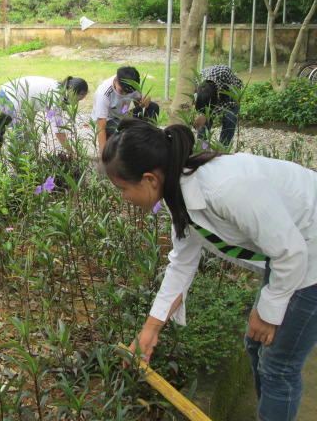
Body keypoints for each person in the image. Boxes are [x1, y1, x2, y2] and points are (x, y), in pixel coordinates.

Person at [102, 118, 317, 421]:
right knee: (256, 346)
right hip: (293, 251)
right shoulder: (179, 193)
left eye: (122, 188)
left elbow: (291, 251)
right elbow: (182, 264)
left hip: (309, 252)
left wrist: (269, 312)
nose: (122, 196)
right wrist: (150, 331)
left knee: (279, 365)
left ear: (150, 179)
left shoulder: (225, 189)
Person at [0, 76, 88, 150]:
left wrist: (30, 125)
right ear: (70, 91)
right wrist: (71, 152)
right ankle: (18, 166)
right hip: (9, 95)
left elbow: (34, 103)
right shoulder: (55, 98)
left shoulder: (58, 89)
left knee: (26, 133)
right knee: (19, 134)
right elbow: (58, 130)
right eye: (78, 99)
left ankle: (24, 163)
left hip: (16, 96)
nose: (76, 103)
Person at [91, 66, 154, 156]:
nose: (125, 94)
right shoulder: (104, 94)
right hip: (109, 120)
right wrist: (103, 156)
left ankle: (150, 140)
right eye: (121, 91)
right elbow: (101, 126)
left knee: (153, 106)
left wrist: (145, 100)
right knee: (125, 129)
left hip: (123, 115)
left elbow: (139, 103)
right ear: (115, 80)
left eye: (128, 93)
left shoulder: (132, 86)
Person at [194, 64, 244, 147]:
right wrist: (202, 115)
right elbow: (201, 103)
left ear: (217, 96)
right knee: (204, 122)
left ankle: (223, 149)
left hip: (231, 95)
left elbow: (232, 101)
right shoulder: (198, 82)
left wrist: (206, 115)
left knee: (230, 117)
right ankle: (202, 148)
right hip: (211, 93)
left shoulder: (224, 73)